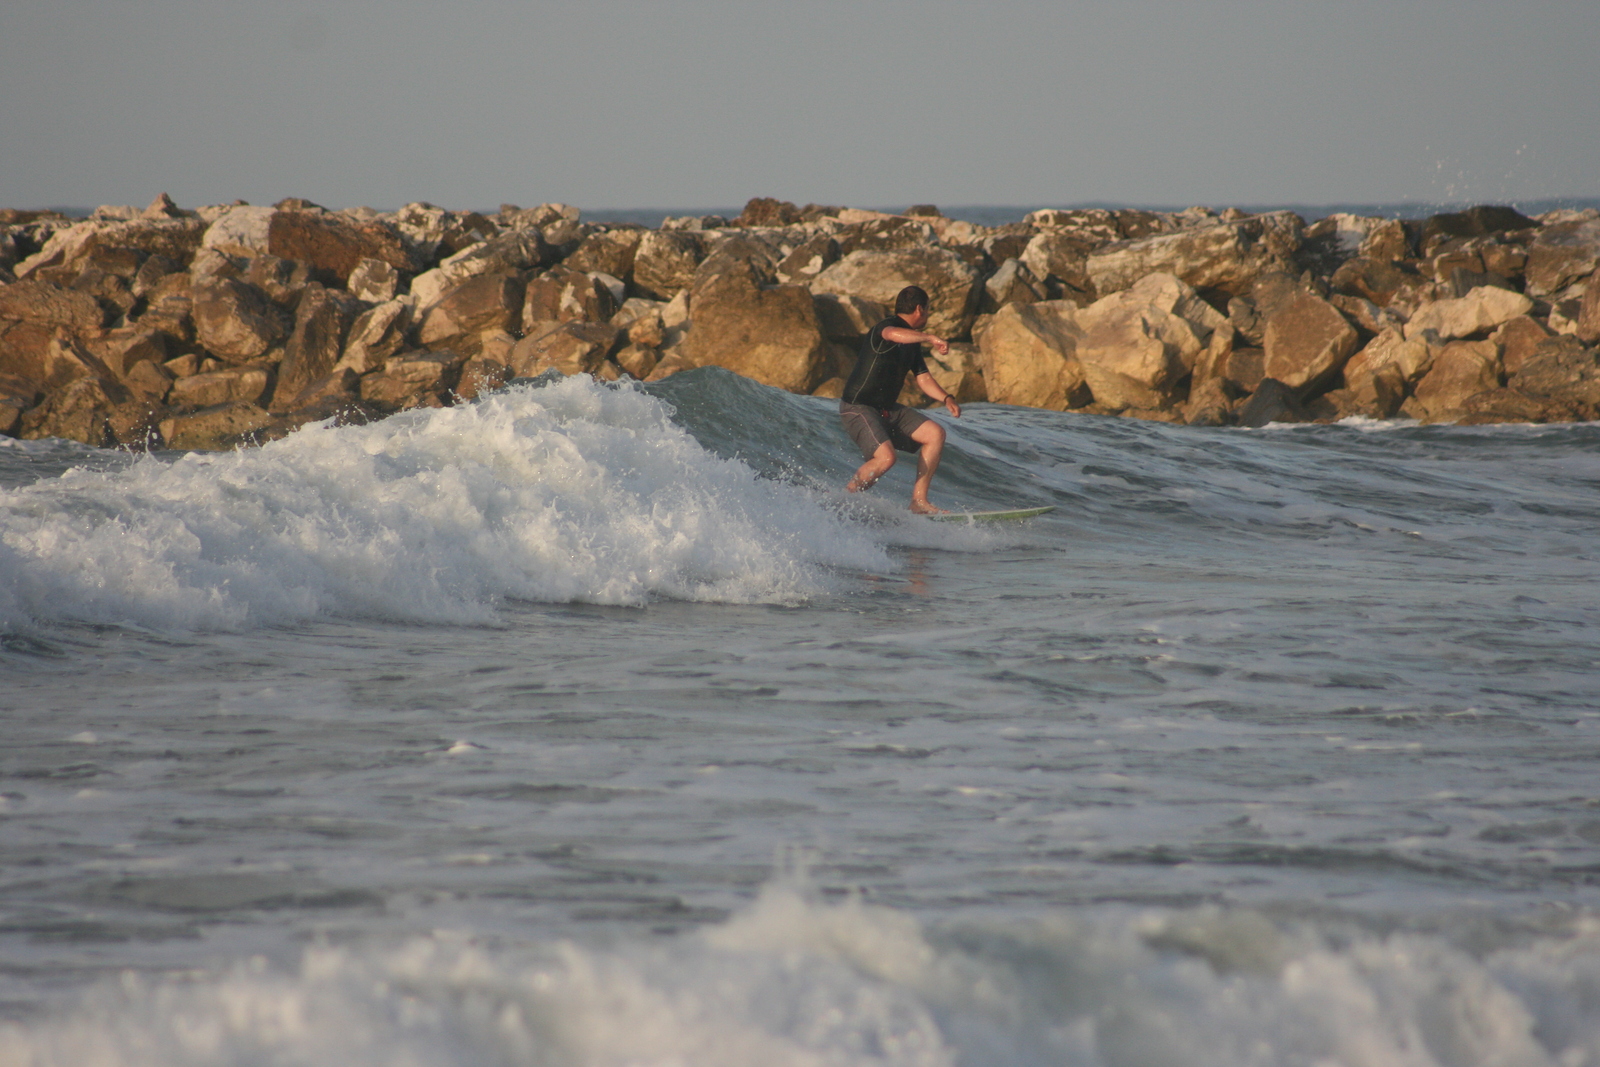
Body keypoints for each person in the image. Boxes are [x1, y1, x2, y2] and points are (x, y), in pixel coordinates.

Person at [838, 285, 961, 514]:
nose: (928, 315)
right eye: (928, 310)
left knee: (935, 434)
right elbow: (893, 335)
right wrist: (929, 337)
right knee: (886, 458)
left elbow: (923, 378)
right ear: (919, 309)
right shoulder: (886, 327)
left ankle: (918, 502)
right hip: (858, 407)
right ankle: (845, 499)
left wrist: (946, 398)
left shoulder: (912, 343)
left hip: (887, 409)